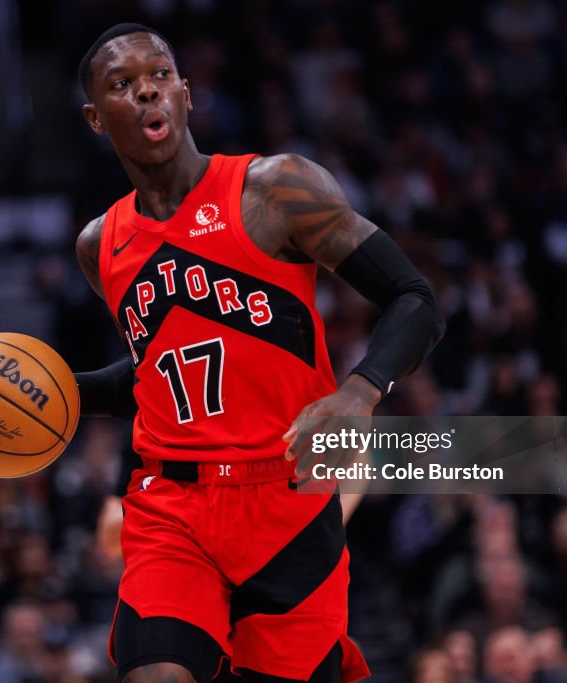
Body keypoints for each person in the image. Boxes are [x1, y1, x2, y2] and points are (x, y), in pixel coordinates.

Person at [73, 23, 445, 683]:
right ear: (98, 118)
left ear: (186, 93)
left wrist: (360, 391)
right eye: (123, 86)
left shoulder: (276, 189)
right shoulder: (100, 244)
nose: (148, 93)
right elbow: (164, 366)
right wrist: (62, 394)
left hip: (288, 499)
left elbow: (415, 298)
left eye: (159, 76)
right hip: (173, 506)